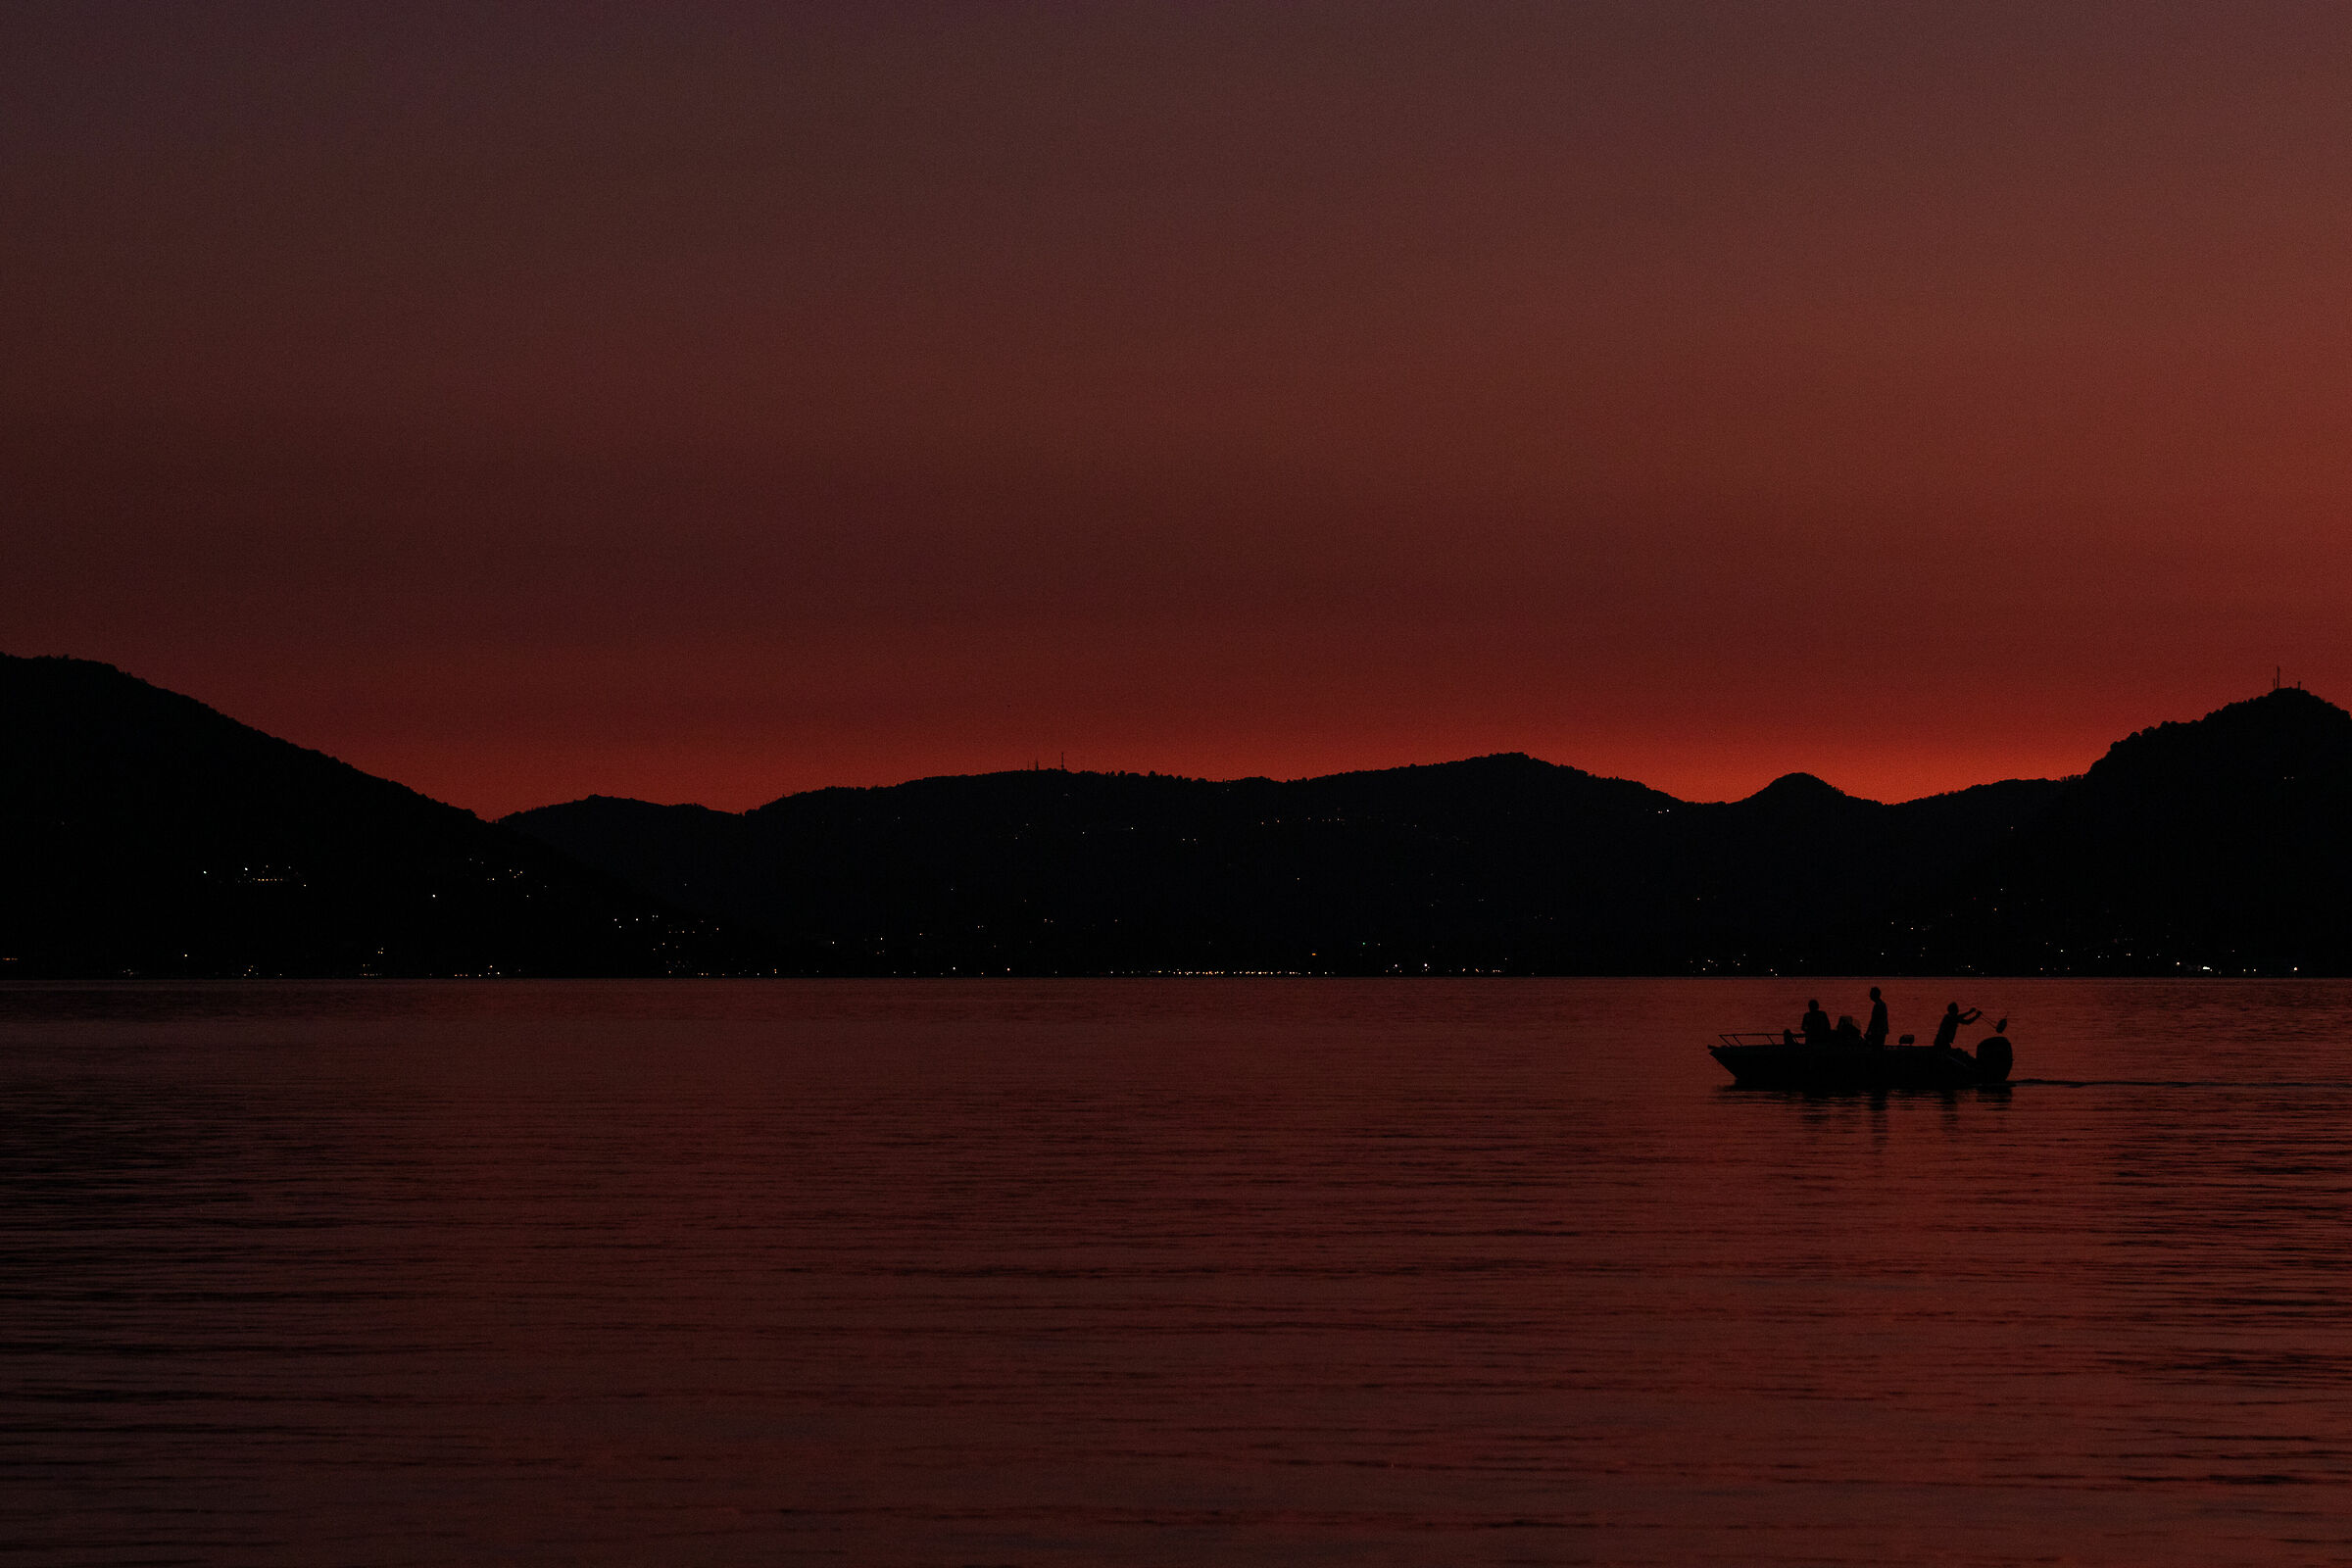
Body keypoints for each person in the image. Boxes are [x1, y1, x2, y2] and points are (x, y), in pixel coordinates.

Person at [1863, 986, 1890, 1050]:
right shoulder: (1882, 1004)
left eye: (1871, 994)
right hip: (1881, 1030)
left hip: (1878, 1032)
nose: (1870, 996)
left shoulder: (1878, 1005)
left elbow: (1874, 1020)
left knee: (1876, 1048)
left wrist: (1868, 1032)